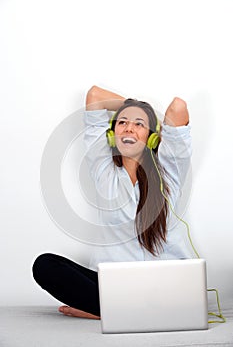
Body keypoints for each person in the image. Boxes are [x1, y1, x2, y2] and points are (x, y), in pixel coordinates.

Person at [32, 85, 191, 320]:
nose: (129, 128)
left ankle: (105, 310)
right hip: (116, 285)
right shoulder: (103, 170)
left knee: (174, 294)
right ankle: (118, 309)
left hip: (164, 284)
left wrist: (144, 112)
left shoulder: (170, 171)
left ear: (152, 136)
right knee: (45, 265)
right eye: (122, 122)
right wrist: (132, 108)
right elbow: (95, 95)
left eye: (139, 124)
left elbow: (178, 106)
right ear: (111, 134)